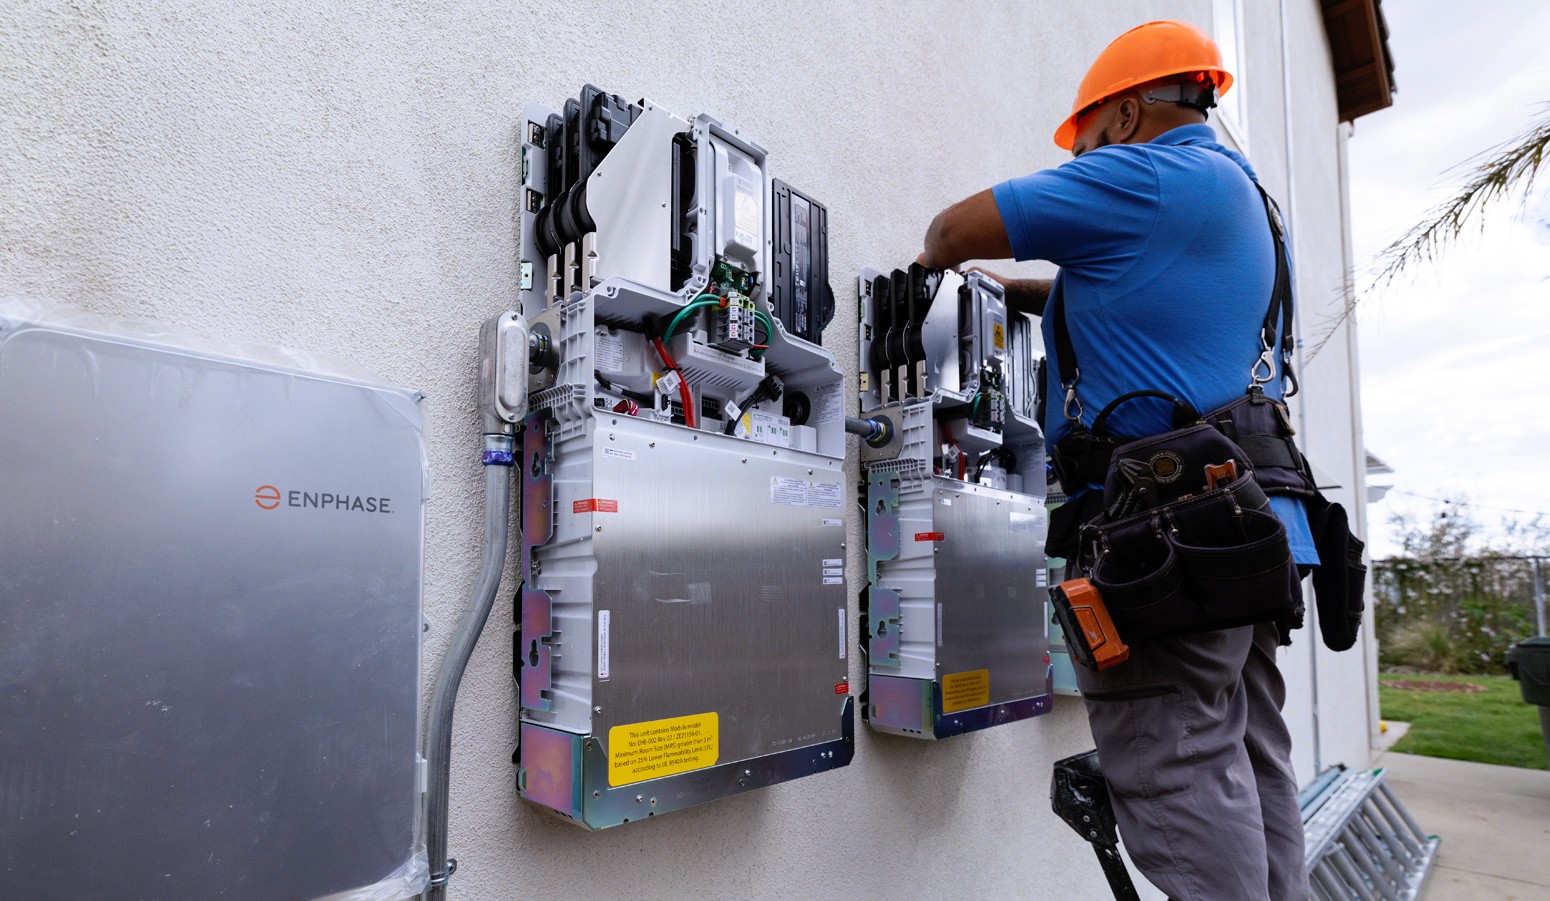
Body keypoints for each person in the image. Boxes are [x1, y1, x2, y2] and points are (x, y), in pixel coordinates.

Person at [916, 20, 1316, 901]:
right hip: (1248, 525)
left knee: (1176, 756)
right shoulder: (1236, 192)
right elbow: (1154, 299)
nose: (1083, 166)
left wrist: (924, 281)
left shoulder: (1149, 175)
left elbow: (950, 231)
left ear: (1129, 113)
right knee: (1249, 752)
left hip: (1172, 538)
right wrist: (1032, 296)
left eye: (1087, 144)